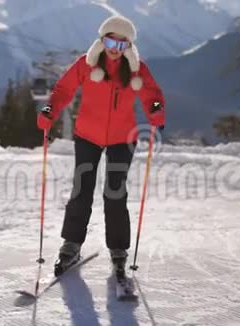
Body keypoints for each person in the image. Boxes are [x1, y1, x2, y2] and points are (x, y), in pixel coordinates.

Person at [36, 15, 165, 277]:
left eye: (120, 45)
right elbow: (63, 90)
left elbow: (152, 97)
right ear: (101, 39)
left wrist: (156, 111)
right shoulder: (87, 63)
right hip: (87, 135)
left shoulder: (137, 69)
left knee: (114, 193)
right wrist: (49, 110)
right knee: (81, 189)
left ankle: (118, 249)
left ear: (128, 45)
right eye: (109, 41)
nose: (114, 49)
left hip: (122, 137)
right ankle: (71, 244)